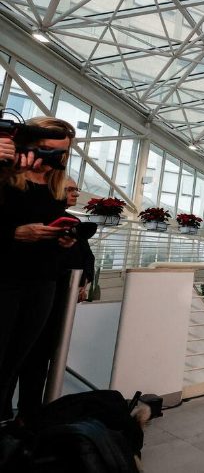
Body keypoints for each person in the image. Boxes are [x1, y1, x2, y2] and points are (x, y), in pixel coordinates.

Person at [0, 116, 76, 420]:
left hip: (42, 283)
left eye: (59, 153)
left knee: (17, 361)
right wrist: (14, 234)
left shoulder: (55, 186)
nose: (50, 158)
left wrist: (62, 241)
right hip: (5, 280)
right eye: (45, 148)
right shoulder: (6, 176)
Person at [16, 178, 95, 420]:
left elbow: (87, 257)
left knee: (40, 358)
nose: (75, 194)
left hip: (58, 300)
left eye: (76, 190)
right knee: (18, 356)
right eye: (69, 189)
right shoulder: (32, 218)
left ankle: (29, 415)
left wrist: (83, 282)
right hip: (31, 296)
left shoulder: (72, 223)